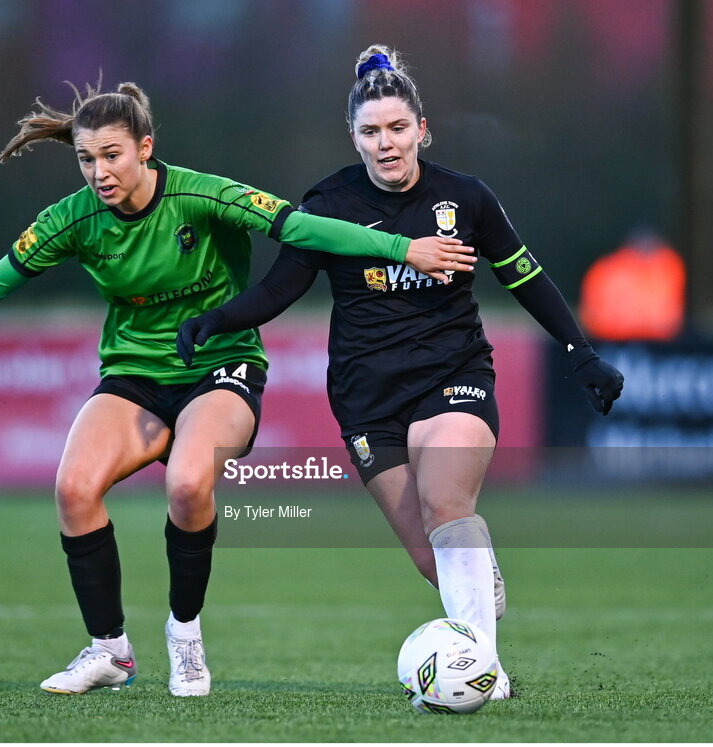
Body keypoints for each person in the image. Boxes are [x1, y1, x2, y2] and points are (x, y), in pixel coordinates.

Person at [0, 80, 473, 698]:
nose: (98, 171)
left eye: (111, 155)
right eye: (86, 158)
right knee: (72, 488)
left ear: (145, 147)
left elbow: (303, 228)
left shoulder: (202, 195)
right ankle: (109, 650)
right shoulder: (73, 219)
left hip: (220, 367)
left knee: (189, 484)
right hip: (135, 377)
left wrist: (400, 248)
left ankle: (185, 634)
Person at [177, 46, 624, 700]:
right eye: (370, 132)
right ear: (352, 137)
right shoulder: (326, 203)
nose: (385, 144)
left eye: (396, 128)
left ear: (422, 129)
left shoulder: (466, 198)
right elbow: (279, 290)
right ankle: (475, 580)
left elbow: (524, 275)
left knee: (447, 498)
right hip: (366, 399)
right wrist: (215, 320)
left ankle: (485, 676)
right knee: (430, 553)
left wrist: (579, 350)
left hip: (454, 375)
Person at [579, 228, 686, 341]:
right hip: (611, 342)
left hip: (657, 343)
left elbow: (668, 318)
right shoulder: (608, 270)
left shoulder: (668, 267)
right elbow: (593, 316)